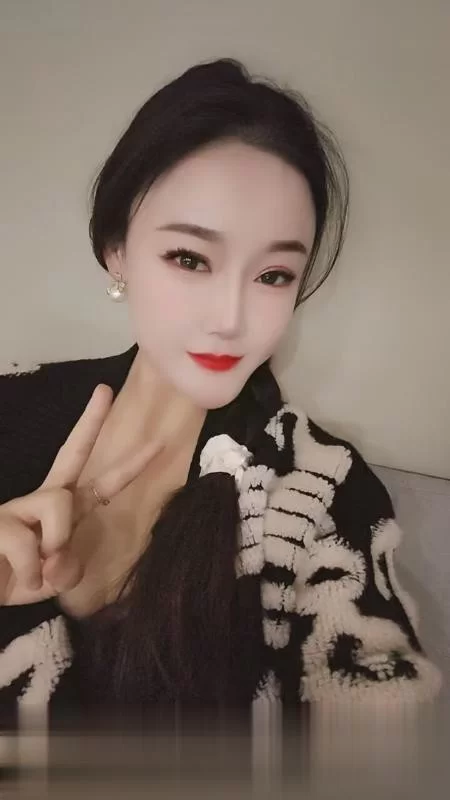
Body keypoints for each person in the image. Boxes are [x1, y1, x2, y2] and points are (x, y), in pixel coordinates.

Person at [0, 58, 441, 742]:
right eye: (190, 258)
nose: (231, 319)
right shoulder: (11, 408)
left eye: (274, 274)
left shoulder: (319, 489)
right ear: (116, 250)